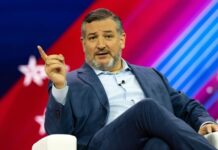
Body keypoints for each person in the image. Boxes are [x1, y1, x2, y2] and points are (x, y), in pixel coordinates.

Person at [38, 8, 218, 150]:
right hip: (102, 146)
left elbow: (186, 106)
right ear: (84, 44)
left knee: (158, 145)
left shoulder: (152, 75)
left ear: (122, 40)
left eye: (108, 36)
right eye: (92, 38)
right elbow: (56, 133)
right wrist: (60, 87)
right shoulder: (70, 82)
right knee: (146, 108)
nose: (101, 45)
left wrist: (205, 121)